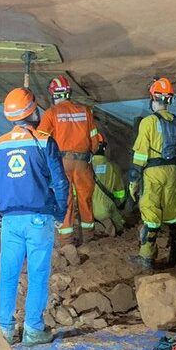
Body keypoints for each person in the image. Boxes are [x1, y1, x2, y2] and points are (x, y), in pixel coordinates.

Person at [0, 88, 69, 345]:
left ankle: (5, 331)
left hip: (10, 221)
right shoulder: (44, 141)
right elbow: (61, 183)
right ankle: (33, 329)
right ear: (34, 110)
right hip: (39, 219)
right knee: (38, 273)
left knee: (8, 273)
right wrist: (60, 211)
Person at [127, 77, 176, 270]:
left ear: (153, 98)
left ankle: (146, 258)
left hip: (152, 172)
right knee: (173, 214)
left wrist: (134, 181)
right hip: (171, 172)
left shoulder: (148, 122)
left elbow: (140, 155)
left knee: (151, 214)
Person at [37, 74, 102, 245]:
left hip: (61, 162)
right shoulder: (85, 112)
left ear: (53, 95)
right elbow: (95, 141)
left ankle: (66, 240)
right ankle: (88, 237)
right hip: (83, 162)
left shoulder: (51, 113)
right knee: (85, 199)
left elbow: (42, 141)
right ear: (68, 93)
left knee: (64, 199)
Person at [90, 141, 127, 236]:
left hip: (87, 211)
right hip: (105, 209)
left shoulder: (86, 167)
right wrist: (120, 202)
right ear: (105, 150)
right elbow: (120, 190)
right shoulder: (113, 167)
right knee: (120, 223)